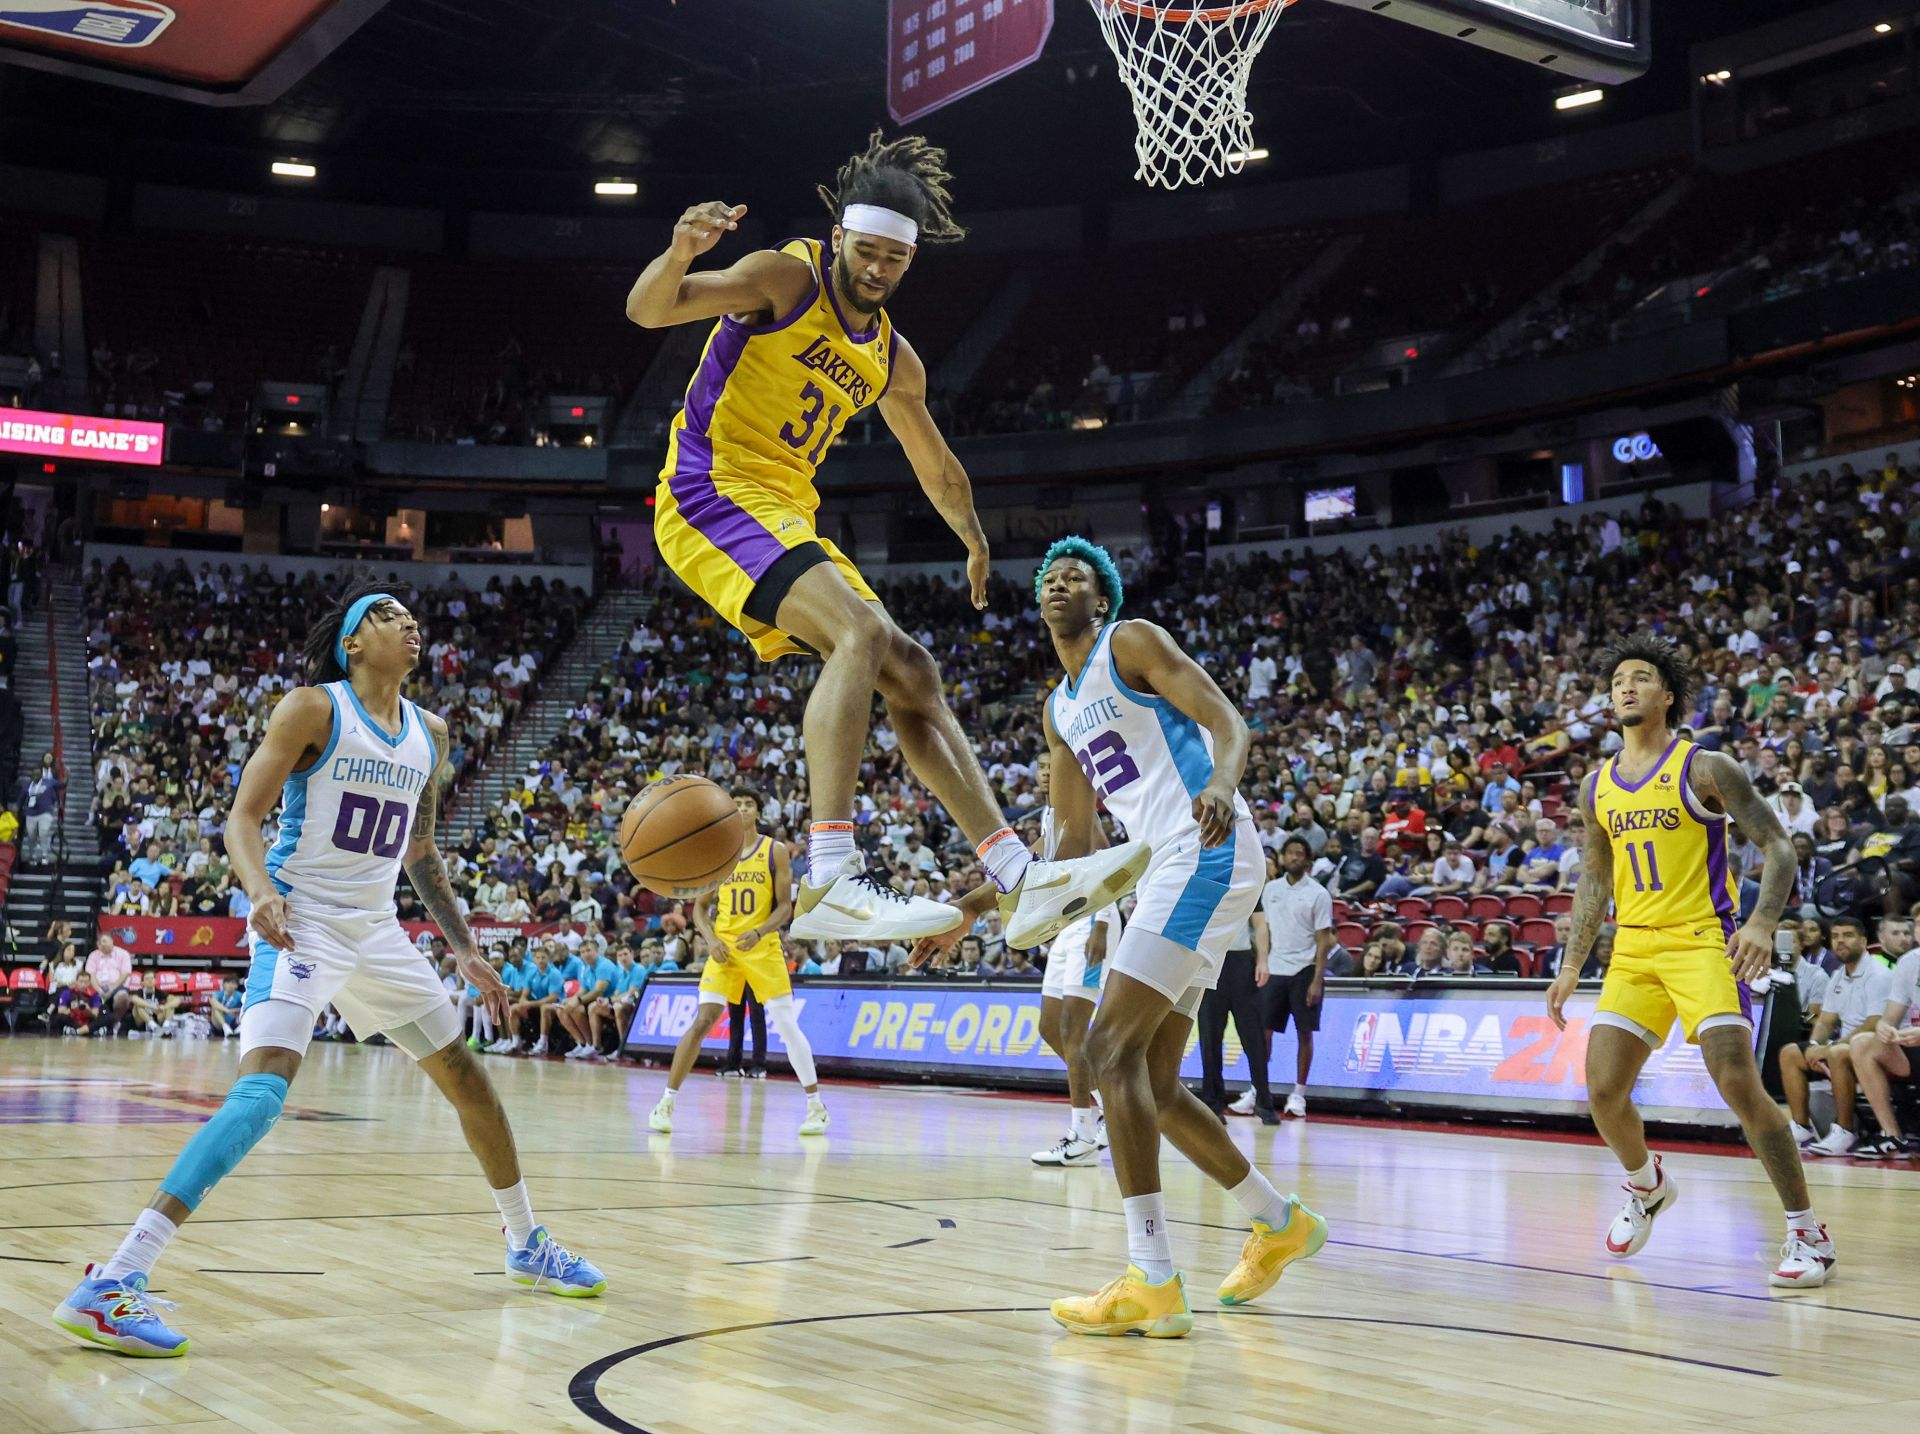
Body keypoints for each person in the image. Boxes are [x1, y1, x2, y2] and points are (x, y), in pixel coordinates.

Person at [52, 584, 603, 1359]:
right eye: (388, 615)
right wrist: (260, 893)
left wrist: (465, 946)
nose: (410, 622)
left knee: (470, 1081)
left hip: (377, 930)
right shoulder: (312, 708)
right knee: (260, 1095)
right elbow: (242, 818)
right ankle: (113, 1280)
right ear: (352, 642)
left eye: (414, 615)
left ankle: (526, 1242)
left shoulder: (431, 734)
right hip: (302, 916)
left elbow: (420, 853)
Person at [625, 130, 1146, 949]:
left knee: (913, 672)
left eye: (892, 260)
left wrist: (973, 536)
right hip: (709, 491)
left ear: (908, 262)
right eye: (864, 252)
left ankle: (1022, 880)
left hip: (784, 512)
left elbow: (934, 464)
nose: (875, 270)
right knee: (862, 633)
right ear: (840, 240)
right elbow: (650, 308)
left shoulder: (892, 358)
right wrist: (680, 250)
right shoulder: (784, 277)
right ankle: (831, 878)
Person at [922, 539, 1325, 1339]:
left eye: (1075, 576)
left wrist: (1221, 779)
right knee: (1156, 1082)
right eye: (1047, 578)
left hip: (1203, 846)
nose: (1058, 583)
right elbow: (1072, 846)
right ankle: (1279, 1223)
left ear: (1101, 598)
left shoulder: (1130, 641)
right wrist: (974, 903)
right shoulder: (1058, 709)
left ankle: (1153, 1278)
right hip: (1166, 867)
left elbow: (1225, 719)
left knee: (1106, 1050)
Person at [1547, 634, 1834, 1290]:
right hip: (1635, 948)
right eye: (1618, 678)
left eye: (1641, 678)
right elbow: (1594, 880)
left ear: (1666, 696)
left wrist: (1762, 922)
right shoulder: (1597, 786)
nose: (1625, 687)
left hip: (1704, 939)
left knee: (1736, 1081)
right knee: (1601, 1090)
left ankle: (1807, 1230)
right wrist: (1571, 965)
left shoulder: (1705, 767)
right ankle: (1648, 1185)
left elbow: (1779, 847)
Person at [652, 788, 827, 1136]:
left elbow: (784, 908)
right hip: (725, 950)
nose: (742, 809)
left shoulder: (773, 850)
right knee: (703, 1020)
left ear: (758, 813)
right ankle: (666, 1102)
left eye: (748, 805)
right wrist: (712, 940)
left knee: (787, 1025)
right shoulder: (719, 854)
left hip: (762, 947)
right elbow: (699, 909)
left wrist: (760, 932)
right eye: (737, 805)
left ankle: (816, 1107)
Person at [1027, 752, 1120, 1167]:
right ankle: (1112, 1106)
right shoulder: (1048, 820)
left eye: (1052, 766)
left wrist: (1101, 923)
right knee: (1050, 1027)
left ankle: (1083, 1133)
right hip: (1067, 927)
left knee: (1073, 1028)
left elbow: (1110, 865)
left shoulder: (1080, 812)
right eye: (1041, 767)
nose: (1046, 773)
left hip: (1093, 923)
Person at [1778, 914, 1892, 1157]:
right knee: (1790, 1052)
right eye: (1836, 936)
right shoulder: (1837, 975)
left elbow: (1874, 1023)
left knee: (1838, 1052)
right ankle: (1801, 1126)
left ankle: (1844, 1130)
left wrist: (1825, 1045)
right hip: (1842, 1042)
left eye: (1848, 936)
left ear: (1863, 941)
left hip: (1875, 1047)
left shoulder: (1876, 974)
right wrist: (1814, 1044)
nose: (1840, 941)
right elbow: (1826, 1019)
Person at [1243, 835, 1330, 1121]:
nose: (1294, 857)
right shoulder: (1270, 890)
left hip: (1304, 970)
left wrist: (1317, 980)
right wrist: (1261, 960)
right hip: (1275, 968)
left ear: (1307, 860)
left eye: (1299, 853)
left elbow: (1323, 941)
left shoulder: (1318, 894)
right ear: (1282, 857)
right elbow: (1261, 930)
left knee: (1304, 1033)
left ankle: (1298, 1094)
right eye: (1290, 852)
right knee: (1263, 1033)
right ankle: (1259, 1090)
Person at [1846, 937, 1920, 1158]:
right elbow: (1889, 1018)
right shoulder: (1909, 962)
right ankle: (1892, 1135)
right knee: (1862, 1044)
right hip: (1914, 1044)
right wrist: (1885, 1028)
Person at [207, 974, 243, 1038]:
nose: (230, 985)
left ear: (236, 986)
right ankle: (225, 1027)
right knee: (215, 1008)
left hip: (233, 1023)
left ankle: (241, 1027)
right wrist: (228, 1011)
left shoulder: (240, 995)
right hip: (219, 1025)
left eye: (233, 983)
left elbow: (248, 1003)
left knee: (247, 1008)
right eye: (228, 982)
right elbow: (212, 1001)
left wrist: (240, 1011)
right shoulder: (218, 993)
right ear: (223, 984)